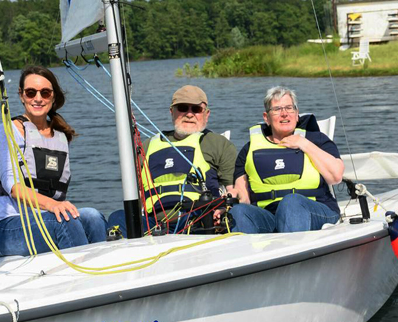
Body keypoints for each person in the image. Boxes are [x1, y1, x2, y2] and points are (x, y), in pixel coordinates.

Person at [0, 66, 106, 256]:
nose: (38, 98)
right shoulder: (8, 130)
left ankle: (105, 270)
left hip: (46, 219)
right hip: (8, 227)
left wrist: (55, 207)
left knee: (93, 216)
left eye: (45, 92)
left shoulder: (61, 136)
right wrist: (52, 205)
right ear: (21, 95)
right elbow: (13, 186)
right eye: (30, 92)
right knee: (65, 221)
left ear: (53, 96)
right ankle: (84, 273)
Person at [107, 84, 237, 236]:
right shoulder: (147, 146)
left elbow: (234, 190)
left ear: (206, 114)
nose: (189, 114)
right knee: (117, 218)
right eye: (183, 108)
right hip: (153, 223)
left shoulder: (216, 143)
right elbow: (134, 192)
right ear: (172, 111)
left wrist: (222, 208)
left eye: (196, 109)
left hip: (196, 219)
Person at [229, 86, 345, 234]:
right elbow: (243, 195)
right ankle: (254, 256)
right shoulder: (249, 149)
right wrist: (232, 197)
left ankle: (294, 255)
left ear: (297, 114)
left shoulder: (316, 140)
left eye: (289, 108)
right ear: (267, 117)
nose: (284, 114)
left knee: (291, 202)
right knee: (239, 212)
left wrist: (303, 144)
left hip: (315, 209)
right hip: (268, 214)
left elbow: (336, 176)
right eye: (277, 109)